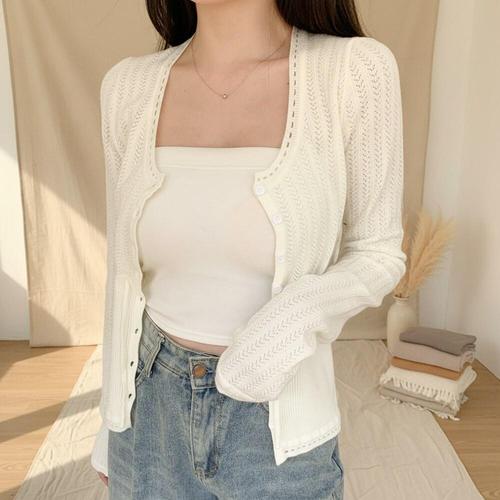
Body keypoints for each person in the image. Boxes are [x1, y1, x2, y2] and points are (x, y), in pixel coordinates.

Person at [91, 0, 407, 498]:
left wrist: (290, 324)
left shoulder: (354, 71)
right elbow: (122, 271)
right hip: (147, 415)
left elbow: (379, 250)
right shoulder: (126, 87)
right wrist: (110, 422)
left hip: (278, 425)